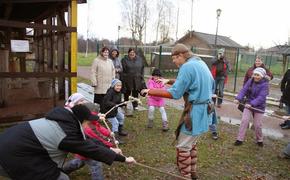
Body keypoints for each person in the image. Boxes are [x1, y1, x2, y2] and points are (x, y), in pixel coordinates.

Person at [0, 103, 136, 180]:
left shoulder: (64, 122)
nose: (88, 126)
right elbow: (90, 149)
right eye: (87, 123)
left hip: (15, 147)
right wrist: (124, 159)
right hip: (12, 156)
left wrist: (110, 149)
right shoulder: (65, 133)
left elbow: (86, 141)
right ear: (80, 120)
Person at [141, 43, 214, 179]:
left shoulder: (186, 66)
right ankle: (193, 173)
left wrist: (150, 91)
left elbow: (175, 93)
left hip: (195, 113)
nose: (174, 62)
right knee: (191, 144)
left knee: (183, 146)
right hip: (205, 110)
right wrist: (169, 80)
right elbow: (193, 82)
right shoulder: (200, 62)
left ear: (181, 55)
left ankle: (185, 176)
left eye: (174, 58)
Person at [63, 102, 116, 180]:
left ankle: (63, 170)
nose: (98, 115)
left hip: (86, 149)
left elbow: (100, 128)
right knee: (96, 164)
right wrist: (110, 144)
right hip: (88, 150)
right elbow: (97, 139)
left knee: (78, 162)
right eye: (96, 113)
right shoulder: (87, 127)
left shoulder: (93, 122)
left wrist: (109, 133)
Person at [234, 67, 269, 147]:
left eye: (258, 75)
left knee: (257, 125)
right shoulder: (251, 81)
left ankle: (259, 139)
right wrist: (238, 98)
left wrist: (252, 104)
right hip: (248, 104)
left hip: (259, 107)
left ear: (262, 76)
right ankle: (239, 139)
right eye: (254, 74)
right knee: (244, 121)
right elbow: (244, 90)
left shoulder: (265, 85)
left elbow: (261, 97)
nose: (255, 76)